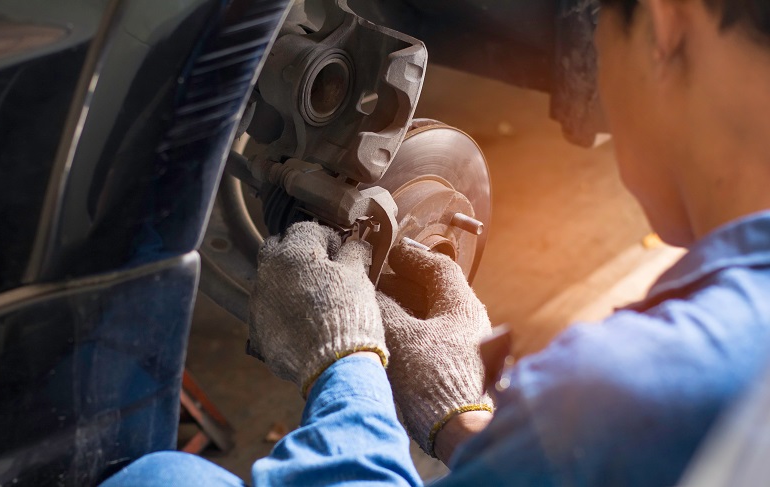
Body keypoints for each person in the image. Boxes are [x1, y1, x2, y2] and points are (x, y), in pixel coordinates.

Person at [103, 0, 770, 485]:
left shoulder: (625, 385)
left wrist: (347, 365)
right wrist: (463, 414)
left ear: (664, 25)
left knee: (160, 480)